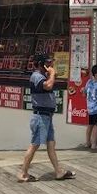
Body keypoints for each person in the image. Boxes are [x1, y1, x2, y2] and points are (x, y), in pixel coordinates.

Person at [18, 54, 75, 183]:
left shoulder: (43, 76)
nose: (50, 65)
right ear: (40, 64)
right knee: (35, 145)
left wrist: (51, 74)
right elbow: (48, 86)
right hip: (40, 117)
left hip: (47, 116)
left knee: (51, 143)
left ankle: (58, 171)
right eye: (48, 63)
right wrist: (53, 74)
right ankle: (23, 173)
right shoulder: (36, 76)